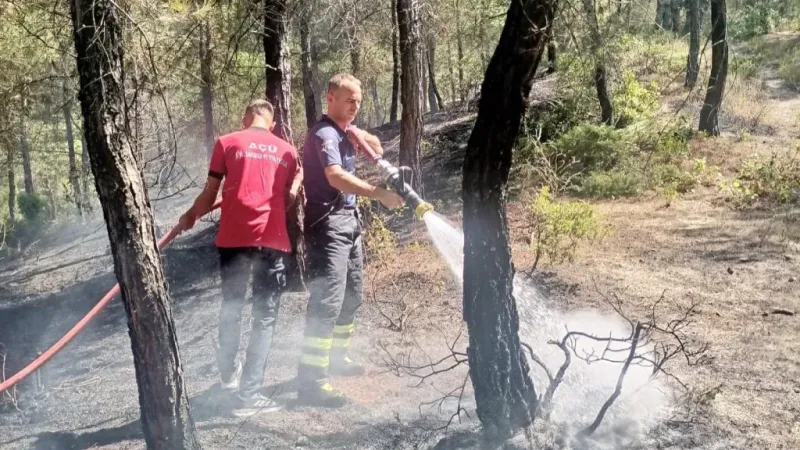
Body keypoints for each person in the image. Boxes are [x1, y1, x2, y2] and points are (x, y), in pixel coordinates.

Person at [178, 99, 302, 416]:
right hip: (271, 241)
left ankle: (228, 377)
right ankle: (249, 396)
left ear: (246, 117)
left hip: (233, 240)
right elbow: (288, 201)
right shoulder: (287, 151)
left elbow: (209, 196)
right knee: (264, 316)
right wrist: (296, 182)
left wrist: (189, 217)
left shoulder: (227, 142)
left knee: (231, 307)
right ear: (272, 124)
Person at [297, 73, 404, 407]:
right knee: (327, 301)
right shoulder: (324, 133)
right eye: (348, 100)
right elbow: (334, 175)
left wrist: (358, 132)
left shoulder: (345, 131)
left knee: (352, 294)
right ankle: (311, 381)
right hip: (328, 225)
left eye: (358, 100)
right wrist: (377, 193)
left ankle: (336, 359)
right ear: (330, 98)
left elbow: (378, 147)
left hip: (350, 223)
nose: (355, 105)